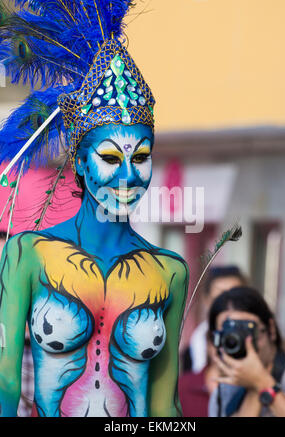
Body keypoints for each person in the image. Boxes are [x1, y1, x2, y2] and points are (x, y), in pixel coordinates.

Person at [0, 1, 189, 417]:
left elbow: (164, 405)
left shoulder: (170, 271)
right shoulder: (25, 255)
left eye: (140, 157)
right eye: (110, 157)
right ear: (82, 163)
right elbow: (6, 381)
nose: (128, 175)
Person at [208, 286, 285, 417]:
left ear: (271, 329)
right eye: (230, 334)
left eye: (247, 331)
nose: (241, 341)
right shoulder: (224, 392)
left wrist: (262, 382)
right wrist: (253, 386)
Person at [184, 266, 247, 373]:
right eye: (220, 300)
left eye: (237, 299)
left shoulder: (262, 342)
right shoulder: (189, 353)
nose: (229, 307)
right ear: (206, 300)